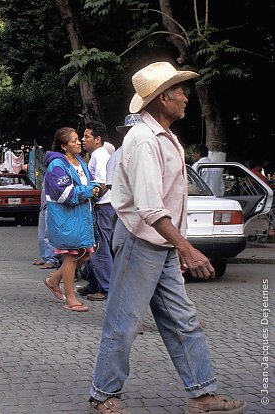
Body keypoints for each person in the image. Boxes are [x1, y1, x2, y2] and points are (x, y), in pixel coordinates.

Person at [88, 61, 247, 414]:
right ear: (162, 99)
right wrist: (186, 248)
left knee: (183, 320)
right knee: (123, 323)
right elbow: (149, 208)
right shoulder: (144, 141)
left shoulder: (165, 137)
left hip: (159, 245)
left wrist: (178, 248)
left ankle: (202, 395)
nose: (185, 97)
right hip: (139, 242)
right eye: (179, 91)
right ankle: (102, 395)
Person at [42, 127, 100, 312]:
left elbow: (91, 180)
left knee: (86, 254)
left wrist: (95, 187)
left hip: (82, 217)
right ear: (64, 146)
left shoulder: (80, 162)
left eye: (78, 139)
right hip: (65, 218)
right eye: (74, 140)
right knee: (71, 257)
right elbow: (65, 194)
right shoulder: (57, 165)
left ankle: (53, 280)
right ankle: (71, 299)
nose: (79, 142)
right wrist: (90, 191)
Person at [78, 121, 114, 302]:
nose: (83, 140)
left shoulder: (100, 156)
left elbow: (102, 184)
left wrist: (88, 196)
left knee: (100, 249)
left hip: (102, 207)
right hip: (102, 207)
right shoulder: (97, 155)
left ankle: (106, 288)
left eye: (87, 136)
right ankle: (93, 283)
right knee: (93, 247)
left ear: (98, 139)